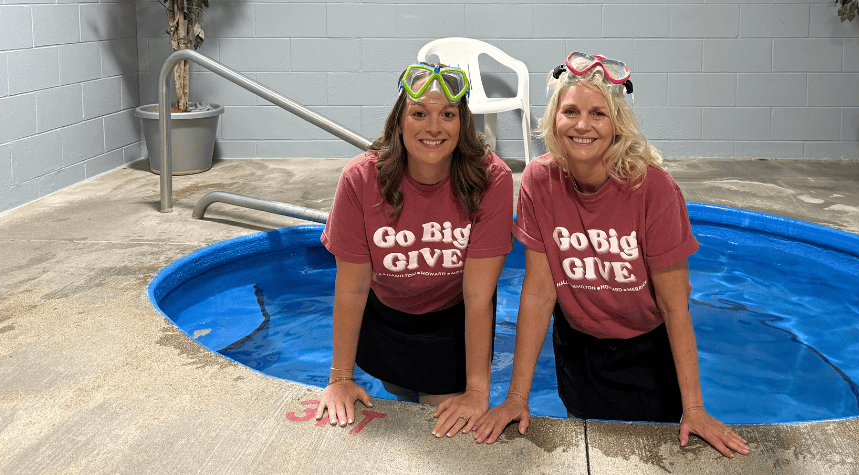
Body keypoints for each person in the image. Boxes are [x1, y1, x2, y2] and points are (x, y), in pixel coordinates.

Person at [472, 52, 749, 457]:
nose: (582, 125)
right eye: (570, 111)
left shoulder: (653, 189)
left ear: (617, 123)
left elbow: (675, 307)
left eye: (598, 114)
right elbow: (537, 294)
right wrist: (517, 396)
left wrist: (695, 408)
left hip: (646, 354)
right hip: (577, 351)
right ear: (553, 119)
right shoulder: (539, 181)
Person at [315, 62, 513, 439]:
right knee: (400, 414)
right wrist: (340, 377)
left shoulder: (491, 179)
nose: (434, 127)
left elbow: (478, 295)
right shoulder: (361, 179)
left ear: (462, 122)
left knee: (441, 436)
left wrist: (477, 391)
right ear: (399, 121)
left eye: (448, 115)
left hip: (450, 327)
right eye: (419, 113)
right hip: (386, 321)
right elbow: (353, 287)